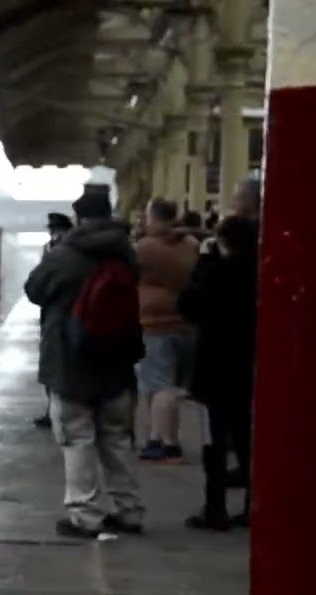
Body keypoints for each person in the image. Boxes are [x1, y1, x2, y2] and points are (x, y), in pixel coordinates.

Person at [25, 190, 145, 538]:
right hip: (117, 355)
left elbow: (34, 290)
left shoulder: (65, 254)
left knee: (77, 437)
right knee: (117, 437)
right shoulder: (125, 253)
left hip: (70, 357)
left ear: (79, 219)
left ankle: (85, 515)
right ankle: (129, 511)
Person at [177, 216, 258, 530]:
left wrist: (204, 263)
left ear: (223, 242)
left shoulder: (215, 273)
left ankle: (215, 508)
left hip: (216, 368)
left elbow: (187, 306)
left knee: (215, 440)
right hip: (251, 366)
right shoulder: (262, 270)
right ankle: (252, 507)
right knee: (247, 439)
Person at [134, 198, 200, 462]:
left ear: (153, 217)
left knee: (161, 386)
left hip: (154, 323)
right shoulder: (192, 245)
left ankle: (163, 444)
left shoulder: (144, 248)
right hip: (187, 322)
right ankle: (165, 437)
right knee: (168, 388)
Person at [32, 212, 74, 429]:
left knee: (61, 363)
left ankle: (60, 411)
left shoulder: (68, 252)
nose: (53, 234)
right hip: (51, 313)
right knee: (51, 363)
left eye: (56, 230)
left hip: (65, 315)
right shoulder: (49, 249)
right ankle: (52, 410)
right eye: (51, 230)